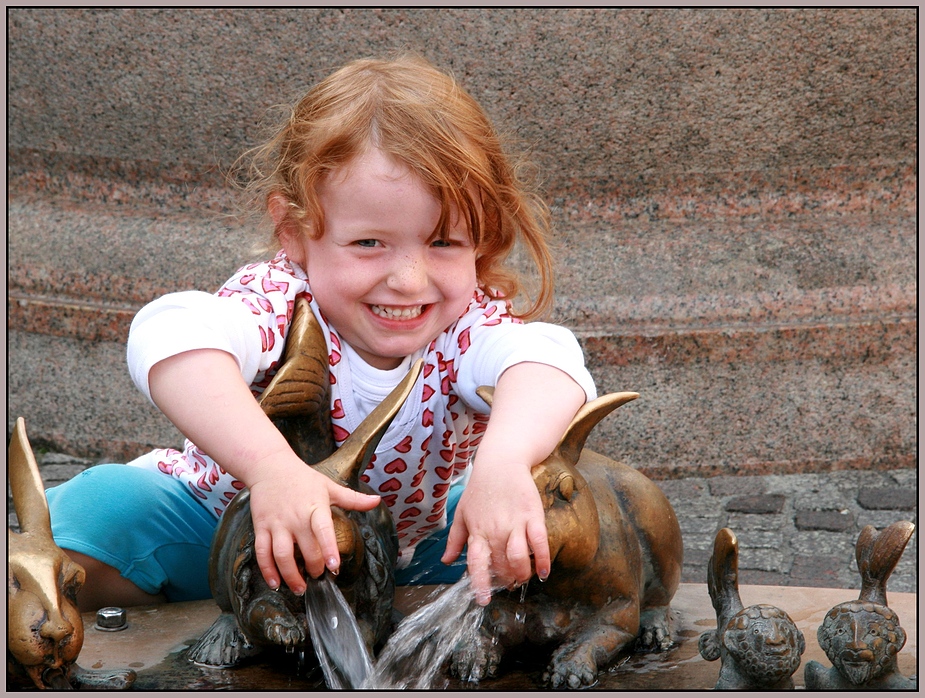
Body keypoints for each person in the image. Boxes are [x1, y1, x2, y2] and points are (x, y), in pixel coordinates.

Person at [46, 54, 596, 612]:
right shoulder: (282, 300)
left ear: (483, 238)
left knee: (551, 525)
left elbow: (550, 362)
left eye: (443, 243)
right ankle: (141, 607)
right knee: (97, 508)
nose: (408, 280)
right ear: (295, 231)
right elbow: (169, 333)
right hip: (221, 531)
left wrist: (503, 466)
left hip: (401, 554)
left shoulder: (467, 323)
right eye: (368, 244)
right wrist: (271, 471)